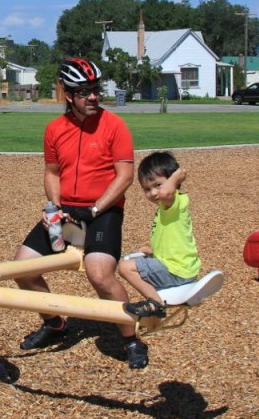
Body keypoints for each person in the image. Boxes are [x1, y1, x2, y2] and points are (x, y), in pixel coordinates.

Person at [13, 58, 149, 369]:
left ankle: (131, 338)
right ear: (68, 95)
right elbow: (52, 173)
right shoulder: (54, 129)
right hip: (66, 211)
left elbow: (125, 176)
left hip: (103, 210)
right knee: (22, 268)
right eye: (84, 91)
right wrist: (55, 207)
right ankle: (54, 323)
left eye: (96, 90)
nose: (93, 97)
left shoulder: (114, 126)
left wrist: (94, 210)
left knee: (99, 273)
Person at [119, 151, 201, 319]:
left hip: (176, 269)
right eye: (147, 189)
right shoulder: (166, 208)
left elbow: (166, 193)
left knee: (125, 267)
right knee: (134, 260)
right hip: (180, 267)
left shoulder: (175, 201)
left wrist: (177, 176)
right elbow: (172, 238)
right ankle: (155, 299)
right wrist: (153, 251)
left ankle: (155, 302)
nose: (154, 193)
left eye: (158, 185)